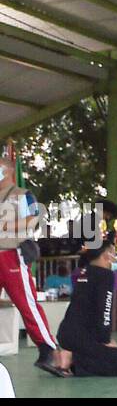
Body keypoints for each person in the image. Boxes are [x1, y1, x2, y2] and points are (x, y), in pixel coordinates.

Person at [0, 151, 63, 377]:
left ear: (7, 171)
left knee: (27, 304)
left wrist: (6, 225)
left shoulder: (23, 195)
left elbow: (34, 219)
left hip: (12, 254)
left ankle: (47, 349)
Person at [51, 241, 117, 378]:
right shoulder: (106, 275)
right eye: (113, 252)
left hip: (67, 333)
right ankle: (71, 359)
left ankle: (68, 355)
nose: (115, 256)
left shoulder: (84, 272)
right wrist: (106, 340)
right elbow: (105, 310)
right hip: (80, 338)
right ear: (106, 255)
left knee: (102, 354)